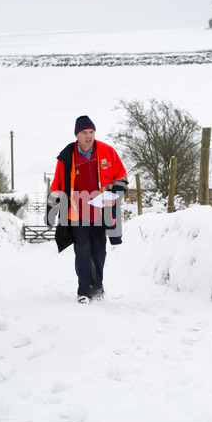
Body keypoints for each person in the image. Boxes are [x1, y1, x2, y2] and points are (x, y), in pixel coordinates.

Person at [45, 115, 128, 304]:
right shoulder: (67, 157)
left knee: (99, 251)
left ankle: (97, 286)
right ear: (77, 135)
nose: (88, 136)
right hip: (76, 212)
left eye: (91, 132)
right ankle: (84, 290)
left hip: (101, 213)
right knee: (82, 250)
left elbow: (121, 177)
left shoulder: (108, 152)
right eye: (84, 132)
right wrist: (50, 215)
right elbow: (57, 186)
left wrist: (115, 193)